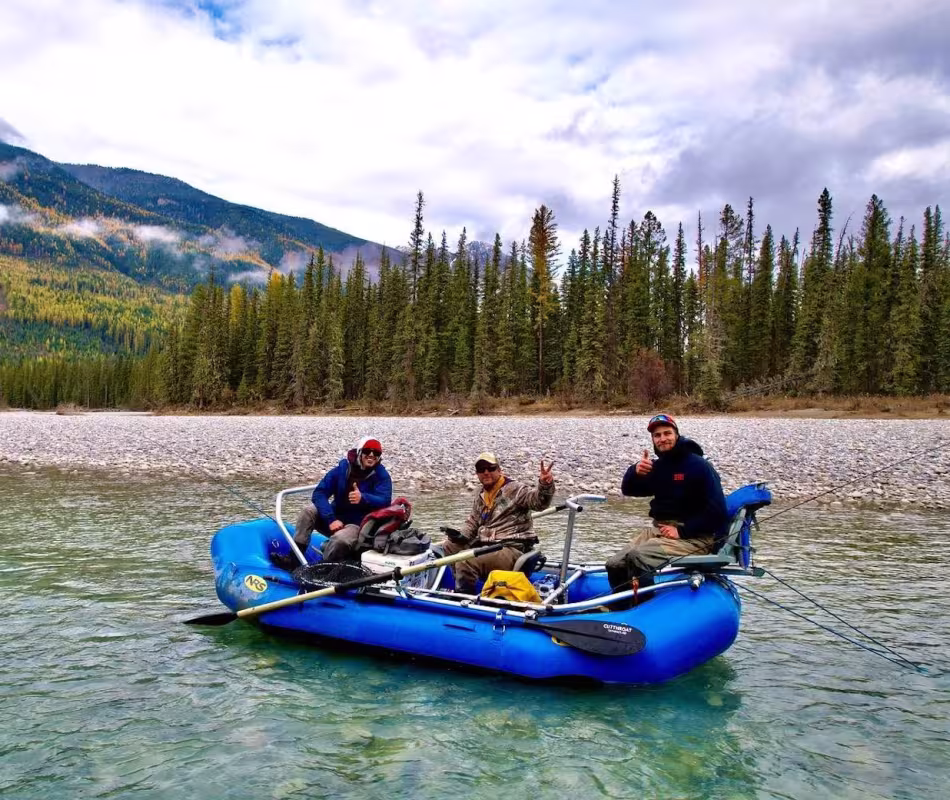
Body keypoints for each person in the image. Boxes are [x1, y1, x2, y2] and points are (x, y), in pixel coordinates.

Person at [605, 413, 728, 591]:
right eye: (657, 435)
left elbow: (718, 512)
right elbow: (629, 490)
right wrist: (635, 472)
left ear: (676, 435)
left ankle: (645, 606)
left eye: (667, 433)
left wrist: (682, 531)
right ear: (653, 440)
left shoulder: (699, 466)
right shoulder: (659, 467)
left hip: (695, 538)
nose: (663, 439)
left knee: (639, 556)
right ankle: (621, 606)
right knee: (614, 563)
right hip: (660, 530)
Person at [441, 452, 555, 594]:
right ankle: (465, 583)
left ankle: (464, 599)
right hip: (487, 545)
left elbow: (539, 502)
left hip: (510, 548)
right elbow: (473, 521)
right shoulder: (480, 494)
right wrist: (460, 535)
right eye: (481, 469)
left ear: (499, 470)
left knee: (465, 560)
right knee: (449, 546)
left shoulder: (516, 489)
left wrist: (545, 485)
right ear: (477, 473)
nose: (486, 472)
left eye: (491, 468)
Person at [294, 436, 393, 562]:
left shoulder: (382, 476)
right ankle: (295, 558)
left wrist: (363, 498)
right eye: (367, 451)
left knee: (340, 539)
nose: (372, 455)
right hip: (335, 518)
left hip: (359, 525)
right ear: (359, 452)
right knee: (308, 511)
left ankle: (325, 568)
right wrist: (330, 519)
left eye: (376, 453)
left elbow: (385, 501)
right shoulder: (341, 470)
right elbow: (319, 493)